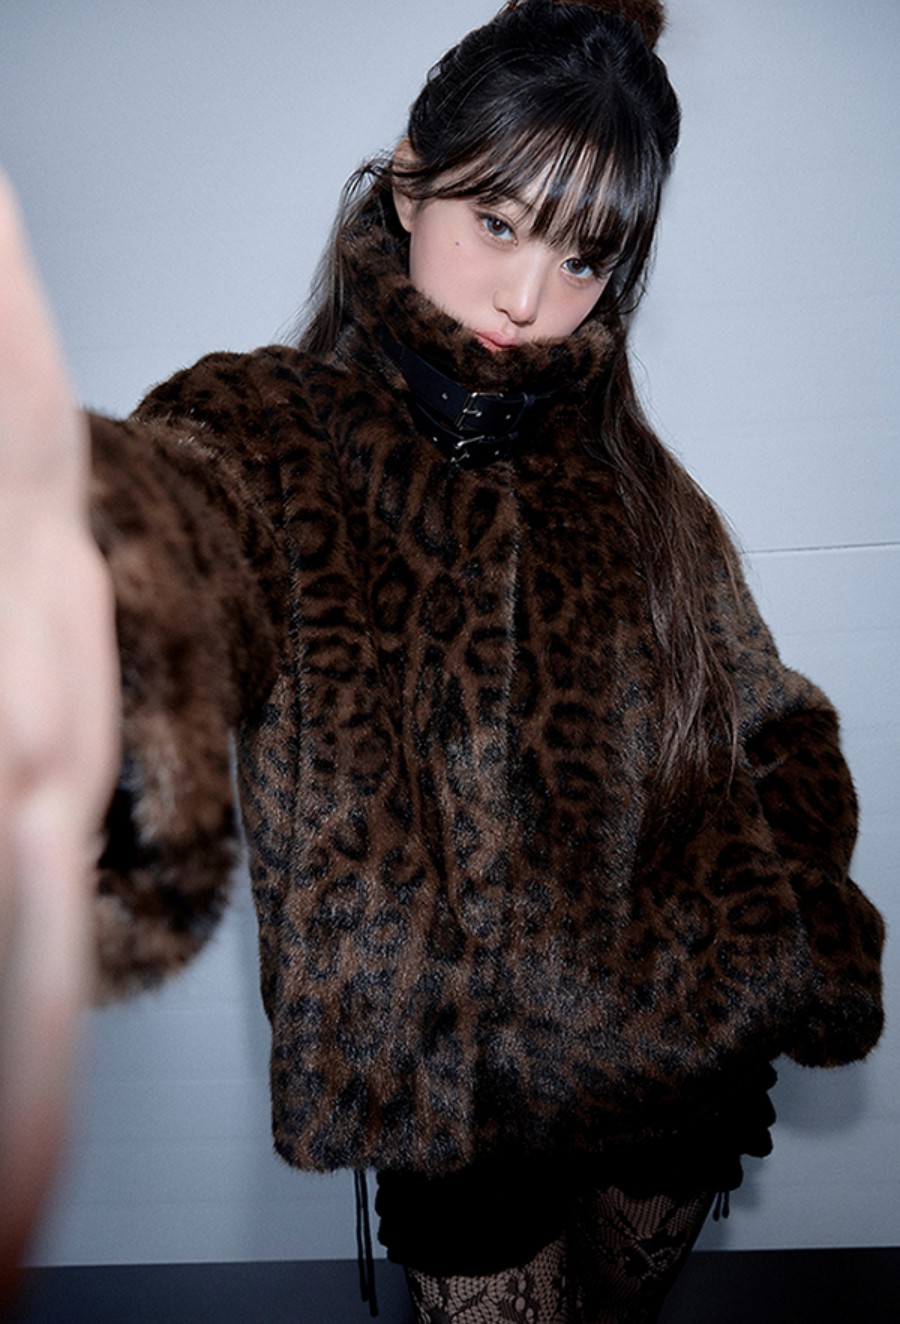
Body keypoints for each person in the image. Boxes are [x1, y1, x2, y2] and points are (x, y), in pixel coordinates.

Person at [0, 1, 886, 1320]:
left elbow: (774, 725)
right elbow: (171, 542)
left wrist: (790, 933)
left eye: (585, 257)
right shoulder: (272, 433)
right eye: (499, 223)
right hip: (447, 1092)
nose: (530, 298)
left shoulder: (639, 486)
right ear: (411, 181)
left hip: (669, 1061)